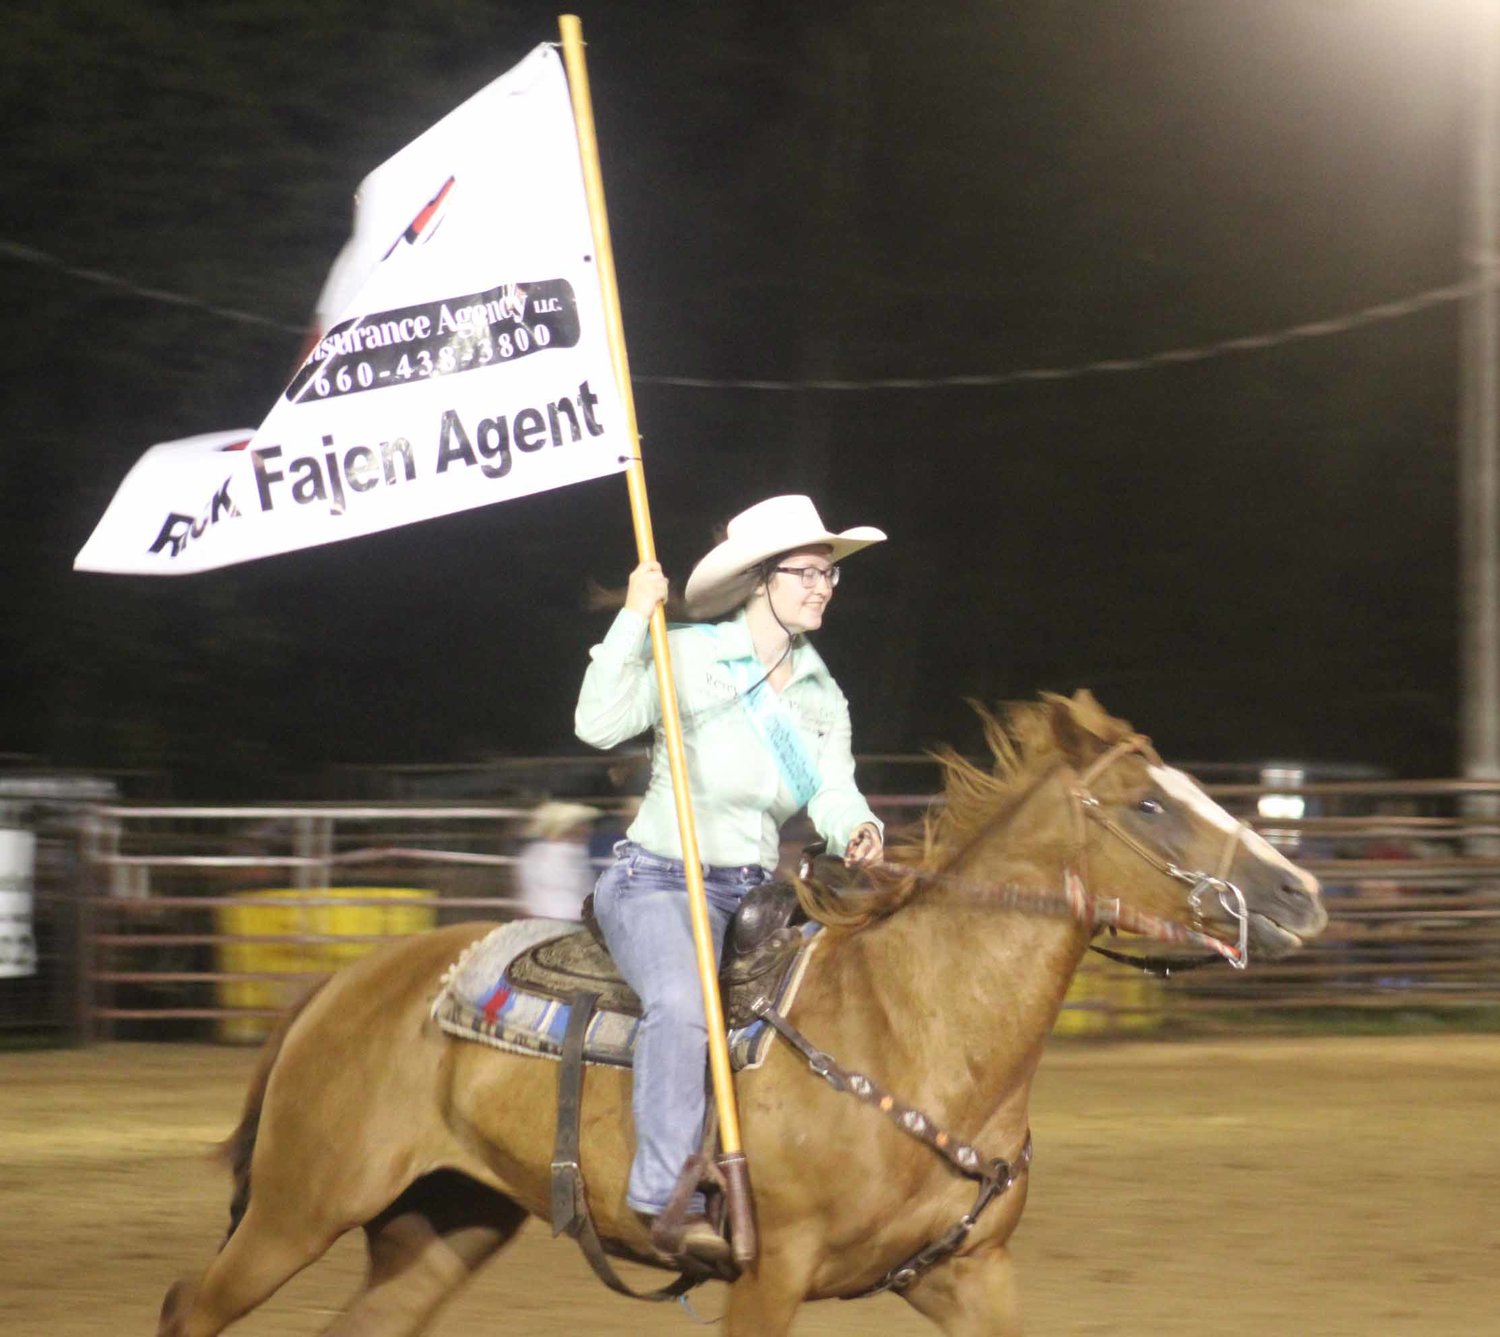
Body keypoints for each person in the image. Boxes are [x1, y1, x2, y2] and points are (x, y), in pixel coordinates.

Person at [574, 494, 887, 1263]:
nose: (823, 586)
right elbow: (597, 722)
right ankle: (664, 1195)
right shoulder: (685, 652)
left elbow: (833, 789)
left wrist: (859, 827)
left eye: (829, 574)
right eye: (807, 572)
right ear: (758, 581)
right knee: (684, 1005)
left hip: (755, 898)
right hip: (657, 881)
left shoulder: (822, 695)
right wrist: (632, 616)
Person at [515, 801, 601, 921]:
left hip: (549, 917)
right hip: (562, 920)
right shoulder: (570, 853)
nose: (588, 830)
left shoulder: (533, 853)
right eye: (582, 825)